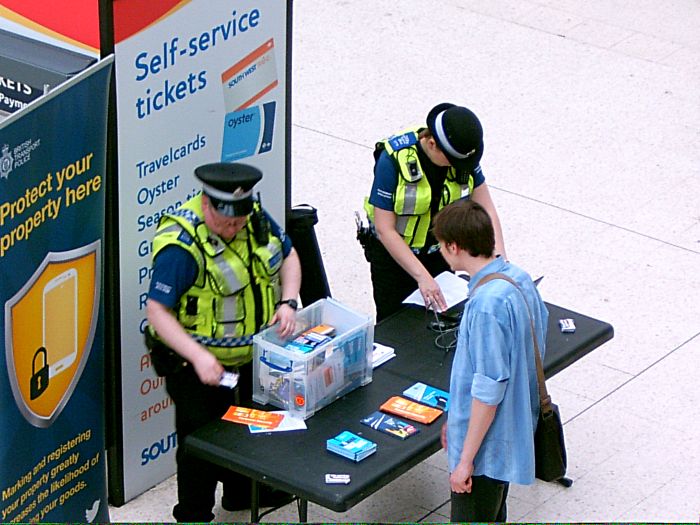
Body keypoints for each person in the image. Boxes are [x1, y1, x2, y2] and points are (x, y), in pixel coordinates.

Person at [145, 162, 302, 522]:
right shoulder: (181, 246)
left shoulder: (253, 218)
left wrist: (288, 300)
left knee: (247, 425)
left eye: (238, 222)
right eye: (226, 222)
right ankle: (194, 513)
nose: (234, 229)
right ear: (206, 205)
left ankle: (241, 493)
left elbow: (288, 254)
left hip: (248, 356)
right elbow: (157, 312)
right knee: (200, 441)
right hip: (193, 363)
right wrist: (198, 357)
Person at [432, 199, 548, 522]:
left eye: (441, 245)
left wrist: (465, 459)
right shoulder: (519, 279)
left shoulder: (485, 305)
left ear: (454, 247)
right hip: (510, 432)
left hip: (485, 449)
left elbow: (488, 389)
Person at [362, 102, 507, 322]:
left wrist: (499, 259)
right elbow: (384, 229)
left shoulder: (462, 156)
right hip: (394, 260)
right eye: (454, 161)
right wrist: (423, 277)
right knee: (395, 328)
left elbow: (487, 209)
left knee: (446, 321)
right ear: (432, 144)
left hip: (440, 254)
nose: (459, 167)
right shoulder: (393, 160)